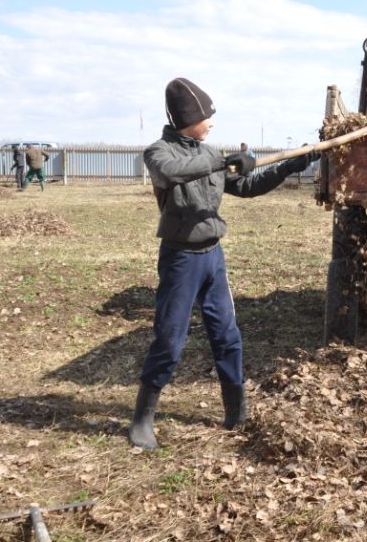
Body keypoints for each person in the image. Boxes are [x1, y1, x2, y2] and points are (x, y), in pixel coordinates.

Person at [129, 77, 316, 450]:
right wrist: (221, 160)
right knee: (170, 339)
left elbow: (247, 186)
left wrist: (289, 166)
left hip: (213, 257)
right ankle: (142, 419)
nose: (211, 124)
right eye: (206, 117)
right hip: (181, 259)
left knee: (227, 335)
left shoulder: (208, 153)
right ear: (187, 118)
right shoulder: (159, 153)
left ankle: (236, 411)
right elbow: (170, 173)